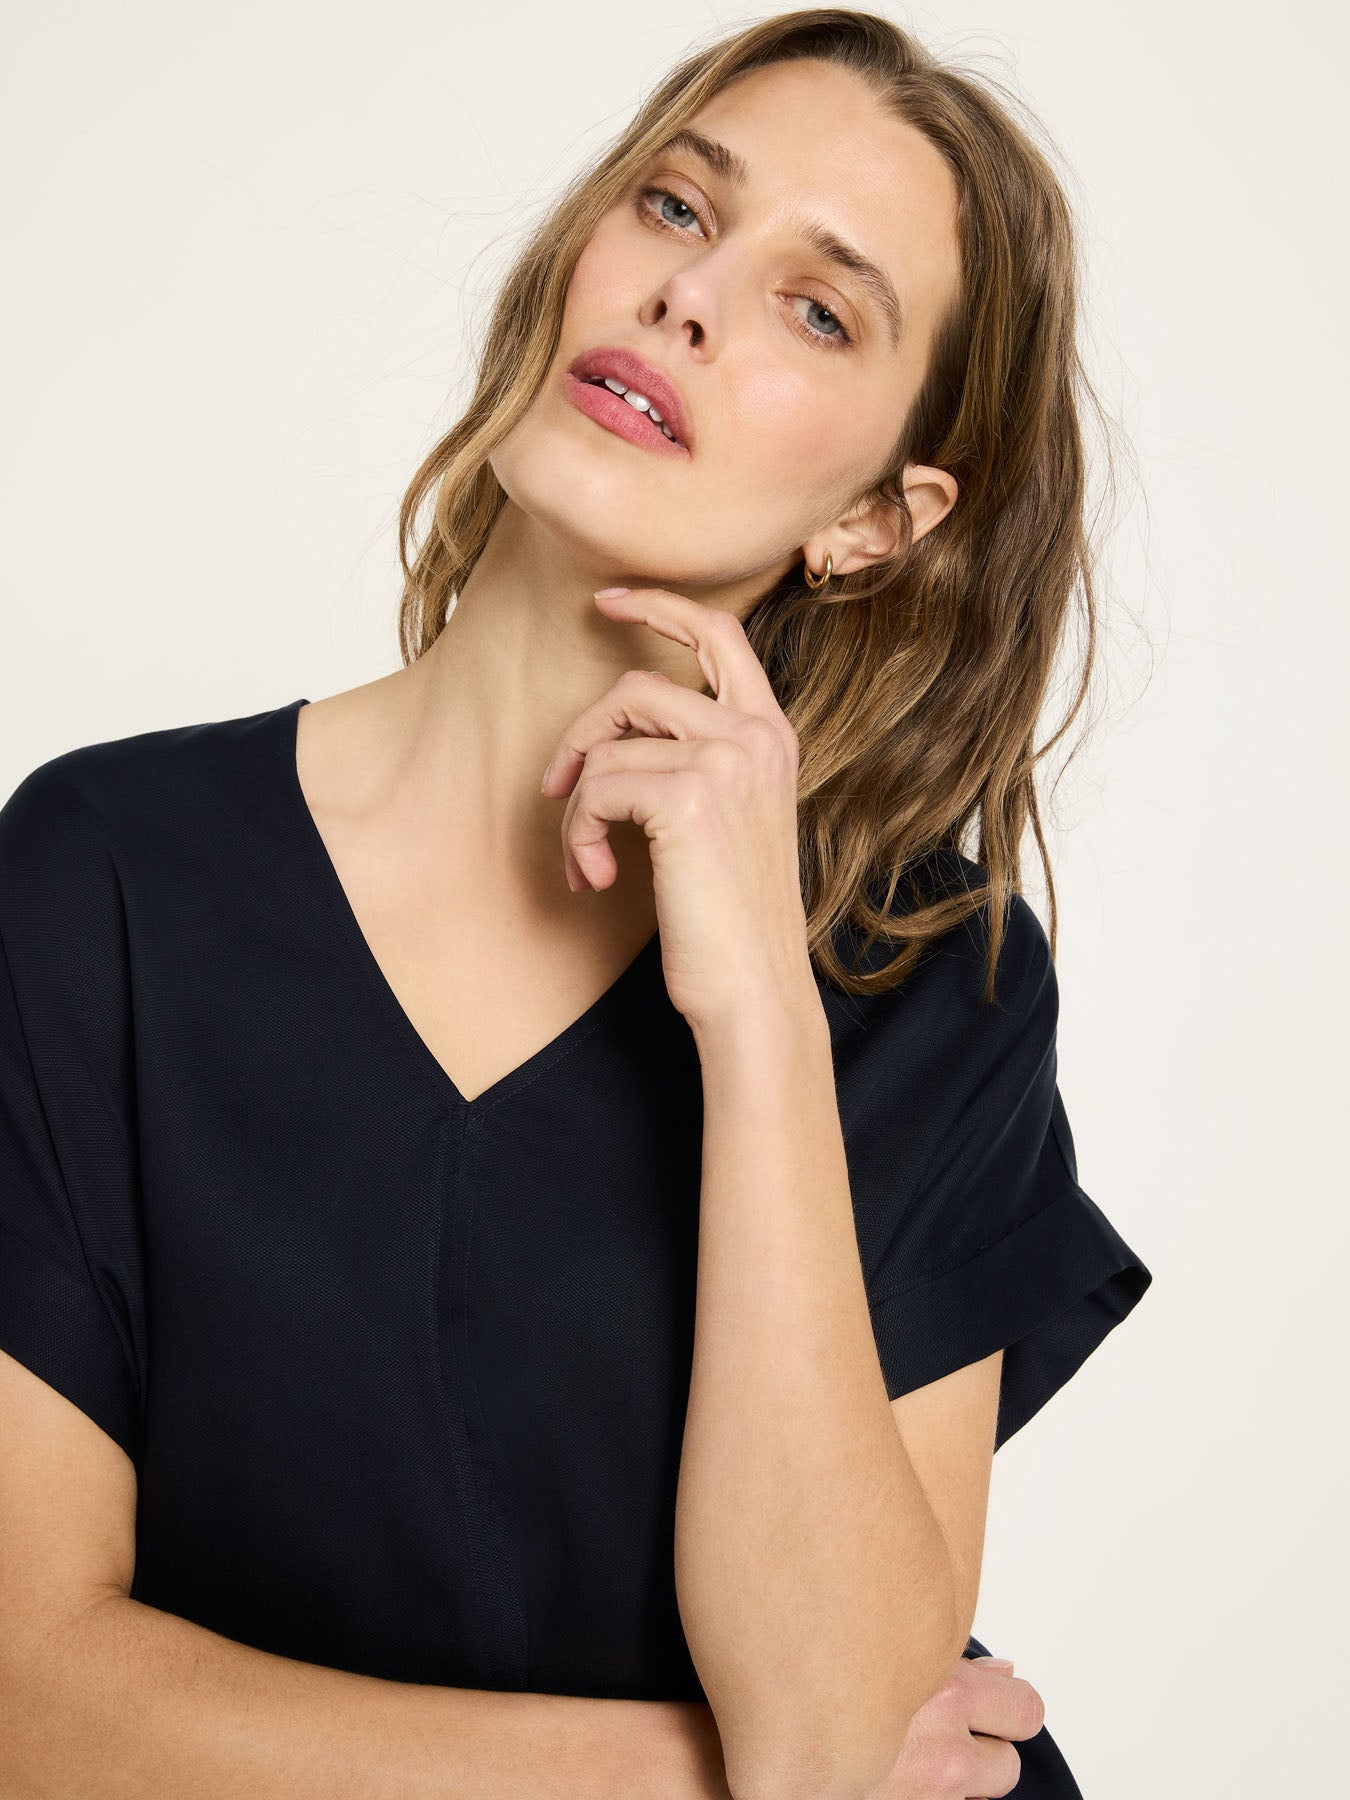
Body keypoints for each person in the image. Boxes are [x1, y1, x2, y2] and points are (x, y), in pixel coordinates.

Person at [0, 9, 1152, 1797]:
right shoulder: (103, 875)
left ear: (880, 517)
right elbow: (27, 1701)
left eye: (818, 309)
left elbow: (835, 1702)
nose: (689, 298)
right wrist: (688, 1777)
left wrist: (756, 1010)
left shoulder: (933, 977)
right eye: (678, 209)